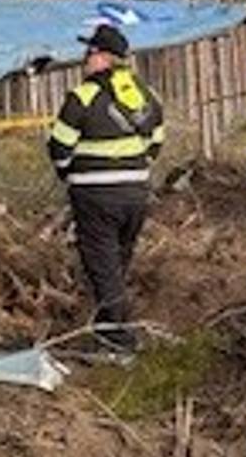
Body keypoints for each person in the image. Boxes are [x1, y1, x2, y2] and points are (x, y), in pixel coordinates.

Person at [47, 23, 166, 345]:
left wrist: (68, 173)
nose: (85, 58)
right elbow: (156, 138)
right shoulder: (145, 93)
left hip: (95, 194)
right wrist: (138, 167)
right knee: (118, 261)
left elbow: (59, 146)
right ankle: (104, 327)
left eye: (90, 52)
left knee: (102, 264)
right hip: (136, 192)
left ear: (104, 58)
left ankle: (119, 339)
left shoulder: (82, 96)